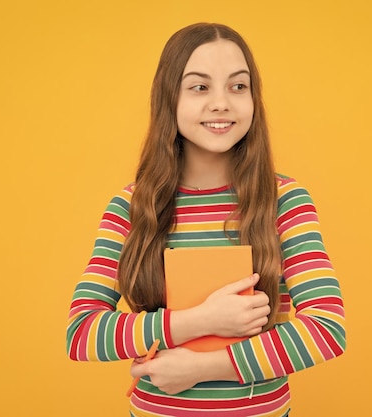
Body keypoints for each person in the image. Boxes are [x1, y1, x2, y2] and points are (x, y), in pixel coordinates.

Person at [66, 22, 346, 416]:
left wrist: (201, 368)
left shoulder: (284, 199)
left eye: (238, 86)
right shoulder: (131, 206)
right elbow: (82, 334)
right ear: (169, 99)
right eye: (200, 87)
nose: (222, 103)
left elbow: (327, 329)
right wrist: (199, 320)